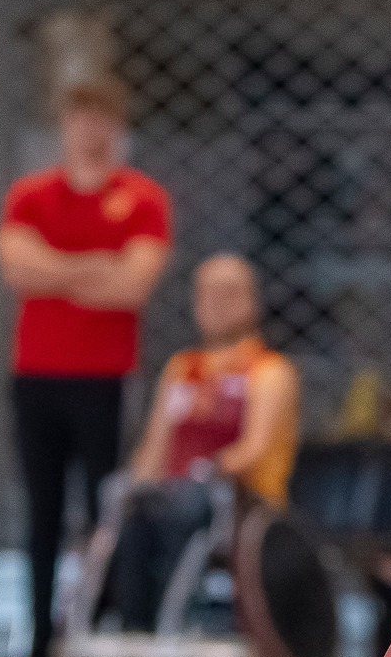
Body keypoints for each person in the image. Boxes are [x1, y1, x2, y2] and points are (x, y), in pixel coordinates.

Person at [0, 78, 171, 657]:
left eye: (103, 119)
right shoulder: (31, 195)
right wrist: (96, 266)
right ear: (64, 126)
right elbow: (18, 269)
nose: (90, 131)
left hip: (105, 377)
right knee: (42, 511)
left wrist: (58, 272)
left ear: (116, 127)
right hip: (37, 374)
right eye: (80, 118)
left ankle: (100, 635)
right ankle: (39, 640)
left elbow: (134, 285)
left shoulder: (142, 199)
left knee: (106, 508)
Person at [109, 254, 300, 631]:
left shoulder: (268, 371)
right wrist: (132, 487)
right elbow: (155, 446)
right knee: (135, 514)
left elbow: (254, 448)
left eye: (229, 293)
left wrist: (211, 470)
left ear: (251, 300)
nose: (216, 303)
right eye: (207, 293)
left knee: (186, 509)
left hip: (237, 499)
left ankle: (173, 620)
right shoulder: (183, 369)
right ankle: (131, 627)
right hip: (176, 495)